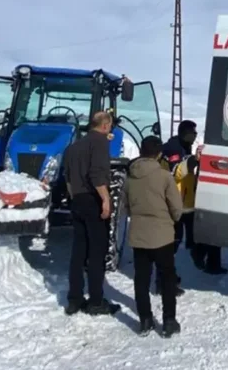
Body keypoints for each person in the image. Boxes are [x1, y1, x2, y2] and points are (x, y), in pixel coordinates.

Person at [62, 111, 122, 316]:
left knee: (78, 251)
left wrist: (74, 198)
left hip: (77, 200)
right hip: (93, 200)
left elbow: (68, 178)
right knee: (97, 252)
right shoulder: (99, 143)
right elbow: (96, 174)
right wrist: (105, 199)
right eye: (110, 125)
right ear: (105, 125)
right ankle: (96, 301)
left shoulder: (72, 147)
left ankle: (74, 299)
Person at [123, 135, 183, 337]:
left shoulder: (130, 176)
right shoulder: (164, 176)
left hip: (139, 233)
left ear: (141, 151)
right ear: (158, 154)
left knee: (141, 278)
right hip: (162, 234)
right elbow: (176, 208)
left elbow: (125, 207)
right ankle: (168, 321)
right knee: (167, 278)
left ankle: (145, 320)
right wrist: (172, 220)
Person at [162, 120, 228, 276]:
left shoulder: (185, 146)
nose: (195, 136)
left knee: (198, 234)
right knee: (174, 241)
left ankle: (202, 258)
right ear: (185, 133)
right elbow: (176, 171)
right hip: (176, 202)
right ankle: (165, 275)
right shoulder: (173, 148)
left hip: (187, 202)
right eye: (194, 133)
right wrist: (194, 160)